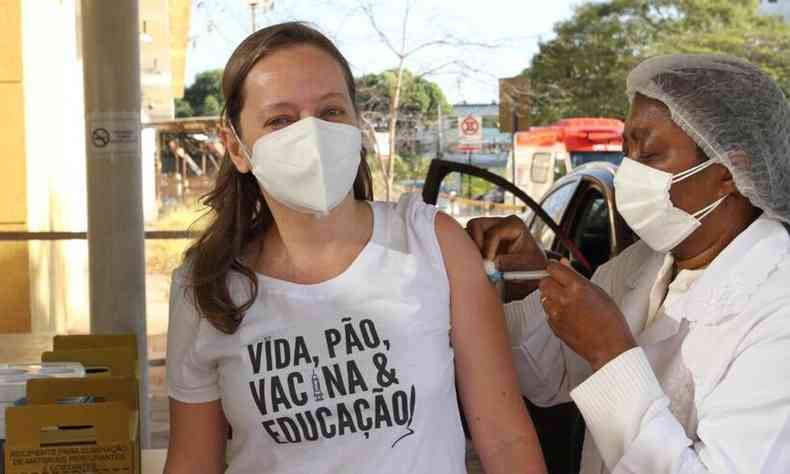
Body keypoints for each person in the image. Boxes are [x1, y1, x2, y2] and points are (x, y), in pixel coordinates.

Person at [164, 22, 545, 474]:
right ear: (237, 148)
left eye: (330, 112)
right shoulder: (206, 287)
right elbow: (192, 460)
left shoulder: (431, 243)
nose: (312, 136)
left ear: (356, 125)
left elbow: (505, 440)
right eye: (279, 120)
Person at [468, 53, 790, 473]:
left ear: (731, 170)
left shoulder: (776, 305)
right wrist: (531, 288)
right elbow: (554, 383)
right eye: (627, 151)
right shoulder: (640, 264)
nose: (629, 172)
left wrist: (611, 352)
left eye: (651, 155)